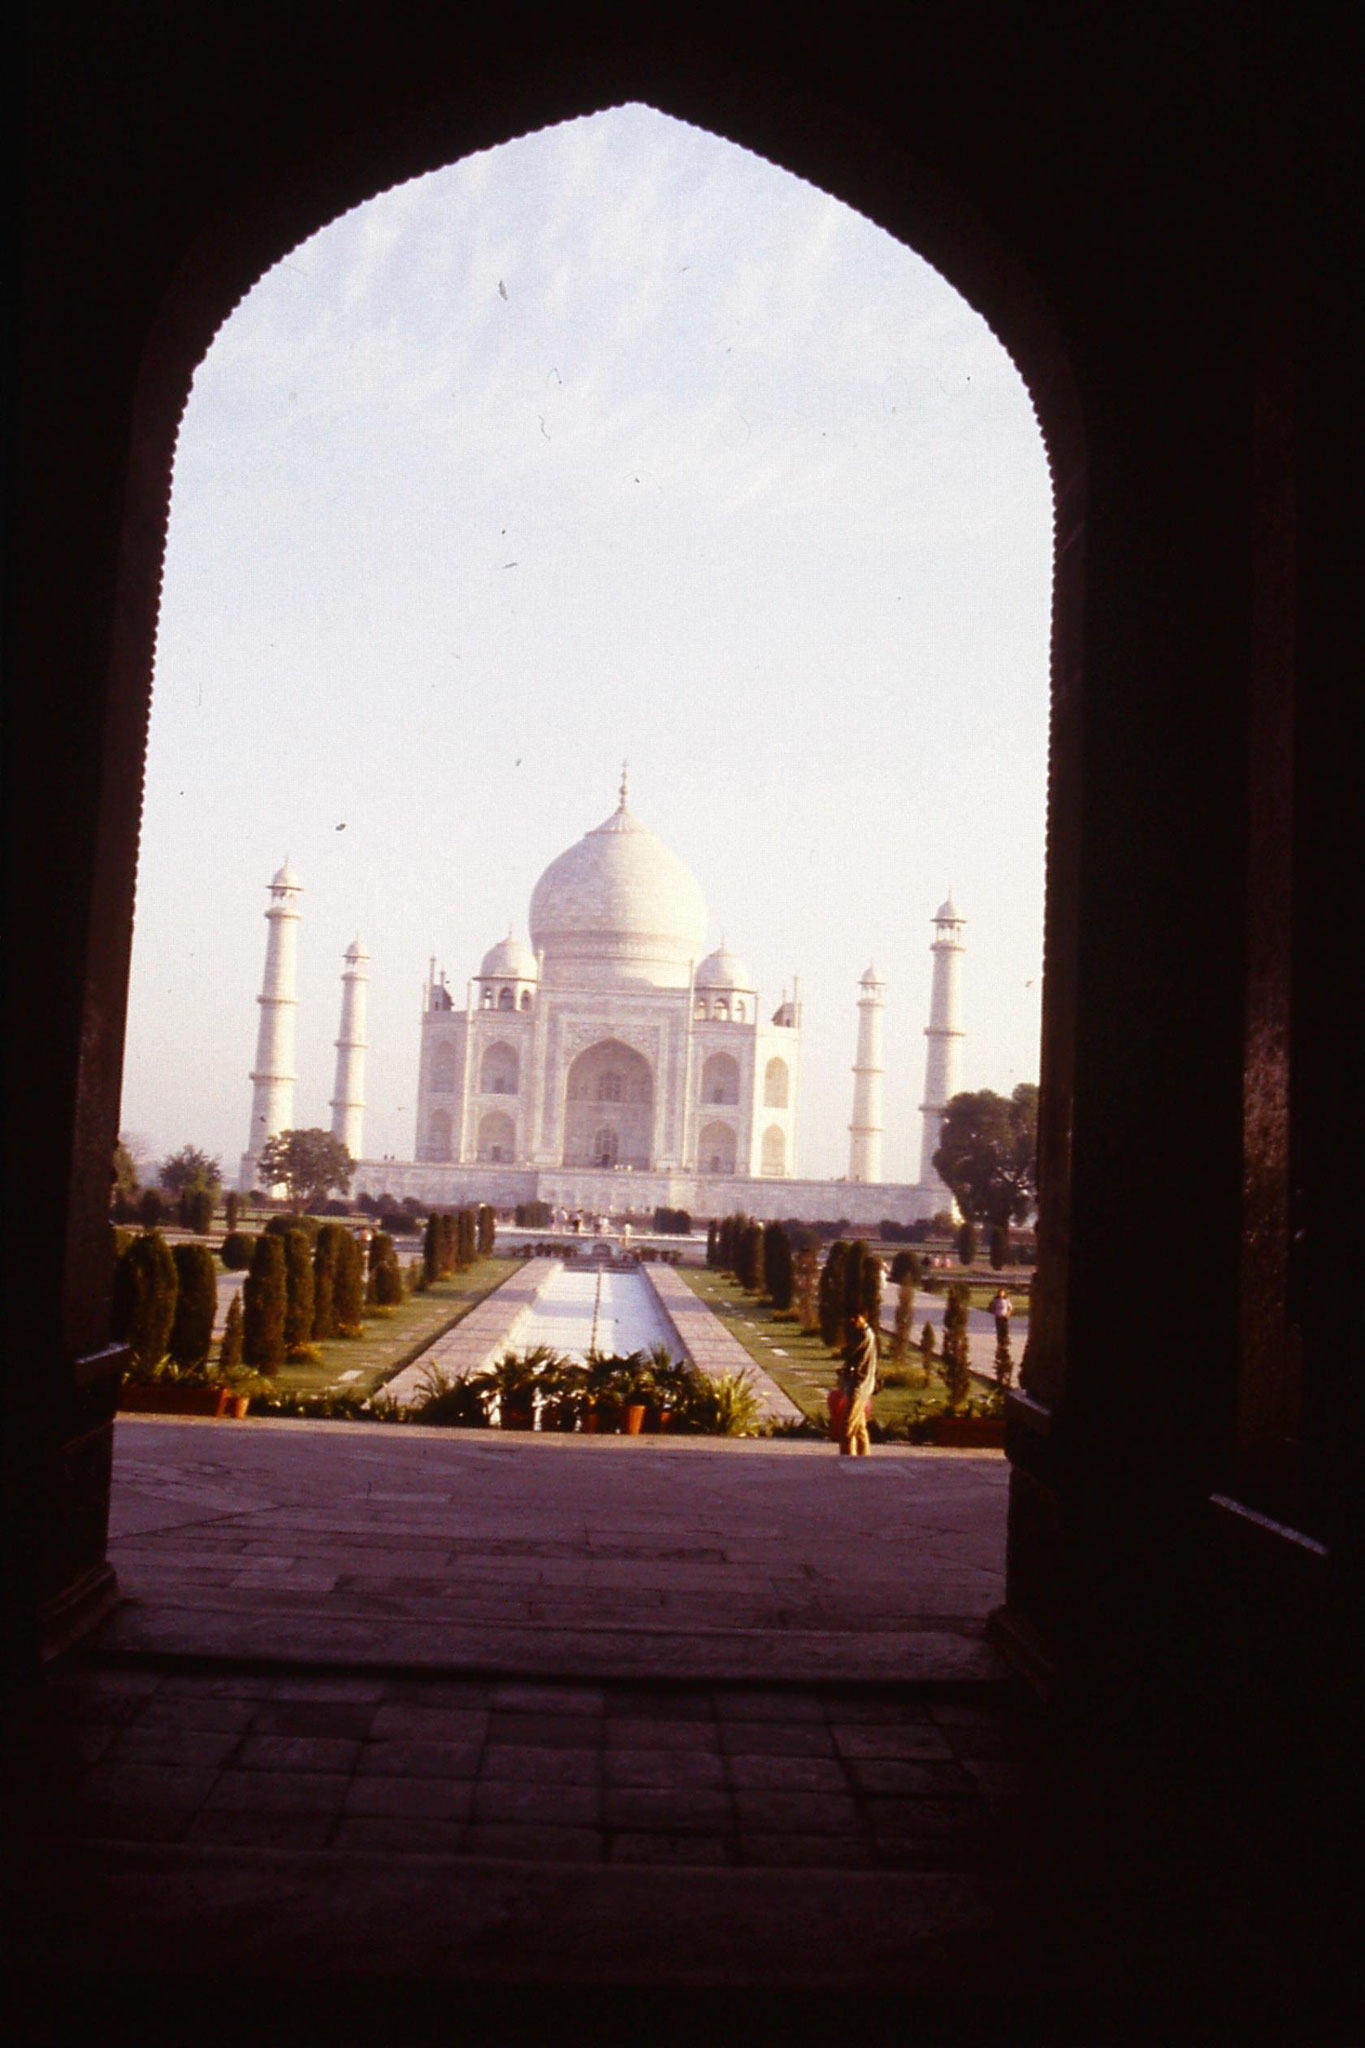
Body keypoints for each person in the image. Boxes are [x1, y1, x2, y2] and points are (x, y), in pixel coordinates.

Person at [836, 1310, 879, 1457]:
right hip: (862, 1384)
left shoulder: (864, 1336)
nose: (852, 1320)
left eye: (856, 1317)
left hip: (859, 1386)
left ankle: (847, 1458)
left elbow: (848, 1352)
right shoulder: (866, 1334)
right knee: (860, 1427)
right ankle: (864, 1458)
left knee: (847, 1427)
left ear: (863, 1317)